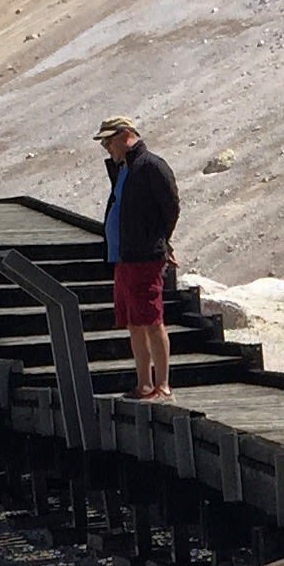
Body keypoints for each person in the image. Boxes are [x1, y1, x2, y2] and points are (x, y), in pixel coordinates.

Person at [95, 114, 180, 401]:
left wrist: (161, 241)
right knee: (134, 322)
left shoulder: (151, 165)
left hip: (144, 255)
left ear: (124, 135)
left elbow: (170, 206)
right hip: (124, 256)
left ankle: (163, 385)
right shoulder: (124, 168)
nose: (106, 147)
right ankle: (144, 383)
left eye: (108, 141)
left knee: (152, 321)